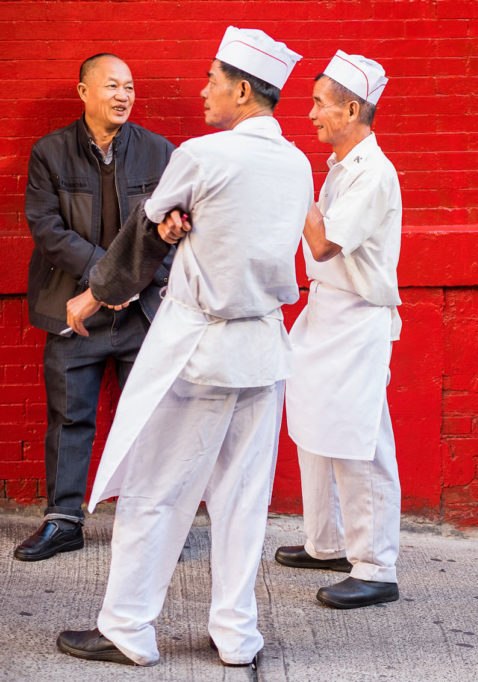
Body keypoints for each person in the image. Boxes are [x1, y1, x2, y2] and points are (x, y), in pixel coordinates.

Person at [55, 26, 311, 666]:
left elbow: (149, 233)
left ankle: (128, 630)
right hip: (263, 353)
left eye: (213, 80)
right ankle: (236, 635)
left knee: (156, 491)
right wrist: (177, 223)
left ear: (243, 91)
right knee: (244, 499)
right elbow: (191, 224)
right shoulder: (298, 162)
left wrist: (95, 294)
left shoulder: (204, 155)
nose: (204, 90)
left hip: (201, 350)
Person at [17, 54, 174, 562]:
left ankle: (149, 523)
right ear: (83, 92)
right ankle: (63, 521)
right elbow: (46, 228)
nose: (123, 95)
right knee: (69, 417)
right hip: (72, 310)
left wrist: (126, 282)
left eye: (130, 86)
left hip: (141, 311)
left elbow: (173, 227)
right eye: (111, 86)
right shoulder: (50, 153)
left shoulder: (159, 152)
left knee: (149, 422)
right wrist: (112, 277)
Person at [272, 50, 403, 610]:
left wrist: (293, 178)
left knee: (358, 441)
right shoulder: (341, 169)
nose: (311, 115)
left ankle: (376, 565)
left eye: (320, 104)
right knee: (313, 429)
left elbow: (323, 243)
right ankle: (325, 543)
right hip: (325, 311)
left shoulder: (374, 172)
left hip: (357, 321)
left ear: (352, 109)